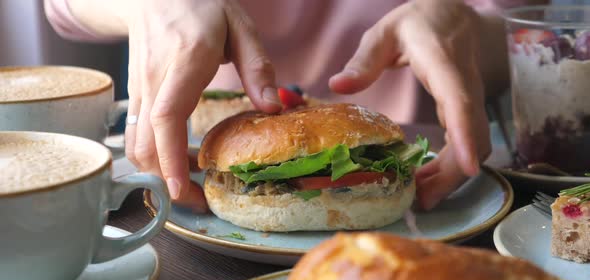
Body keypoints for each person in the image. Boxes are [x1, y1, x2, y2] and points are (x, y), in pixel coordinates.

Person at [44, 0, 544, 212]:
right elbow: (61, 9)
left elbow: (519, 30)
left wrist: (462, 24)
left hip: (424, 150)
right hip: (194, 145)